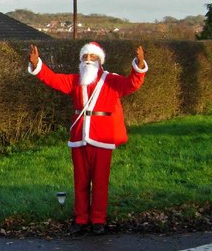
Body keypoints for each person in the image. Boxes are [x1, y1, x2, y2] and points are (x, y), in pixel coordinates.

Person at [28, 41, 147, 235]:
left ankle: (98, 220)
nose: (88, 60)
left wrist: (139, 65)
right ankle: (81, 218)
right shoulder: (75, 80)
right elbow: (53, 79)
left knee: (100, 182)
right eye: (85, 57)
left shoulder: (111, 80)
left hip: (102, 137)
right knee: (80, 181)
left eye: (93, 57)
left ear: (100, 61)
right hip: (79, 137)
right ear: (81, 61)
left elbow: (131, 84)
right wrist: (37, 64)